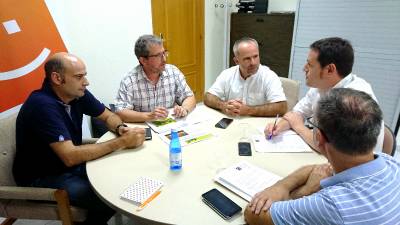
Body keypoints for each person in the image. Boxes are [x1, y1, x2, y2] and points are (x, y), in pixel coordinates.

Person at [13, 52, 146, 225]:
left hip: (67, 165)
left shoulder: (76, 94)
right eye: (79, 76)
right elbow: (70, 156)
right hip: (42, 175)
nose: (86, 82)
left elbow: (108, 116)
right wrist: (121, 142)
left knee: (117, 178)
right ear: (57, 78)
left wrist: (121, 129)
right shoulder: (41, 105)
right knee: (107, 198)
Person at [245, 88, 400, 225]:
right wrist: (281, 186)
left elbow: (253, 214)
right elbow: (318, 169)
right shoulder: (389, 163)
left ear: (318, 137)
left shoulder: (333, 206)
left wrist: (304, 192)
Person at [264, 37, 384, 152]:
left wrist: (299, 127)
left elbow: (329, 148)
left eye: (310, 65)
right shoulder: (322, 85)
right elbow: (298, 112)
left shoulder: (353, 101)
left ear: (330, 70)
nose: (304, 69)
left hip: (349, 167)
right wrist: (280, 125)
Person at [115, 34, 196, 122]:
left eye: (164, 53)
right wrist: (148, 116)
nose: (164, 59)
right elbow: (120, 112)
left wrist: (184, 109)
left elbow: (189, 97)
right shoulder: (129, 81)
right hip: (143, 128)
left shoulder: (173, 72)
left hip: (169, 126)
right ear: (143, 60)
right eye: (158, 55)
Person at [204, 37, 287, 117]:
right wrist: (223, 105)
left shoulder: (269, 76)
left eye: (255, 56)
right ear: (236, 61)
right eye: (247, 59)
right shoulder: (227, 74)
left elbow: (282, 107)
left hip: (258, 124)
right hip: (233, 122)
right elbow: (208, 97)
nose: (253, 62)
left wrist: (248, 110)